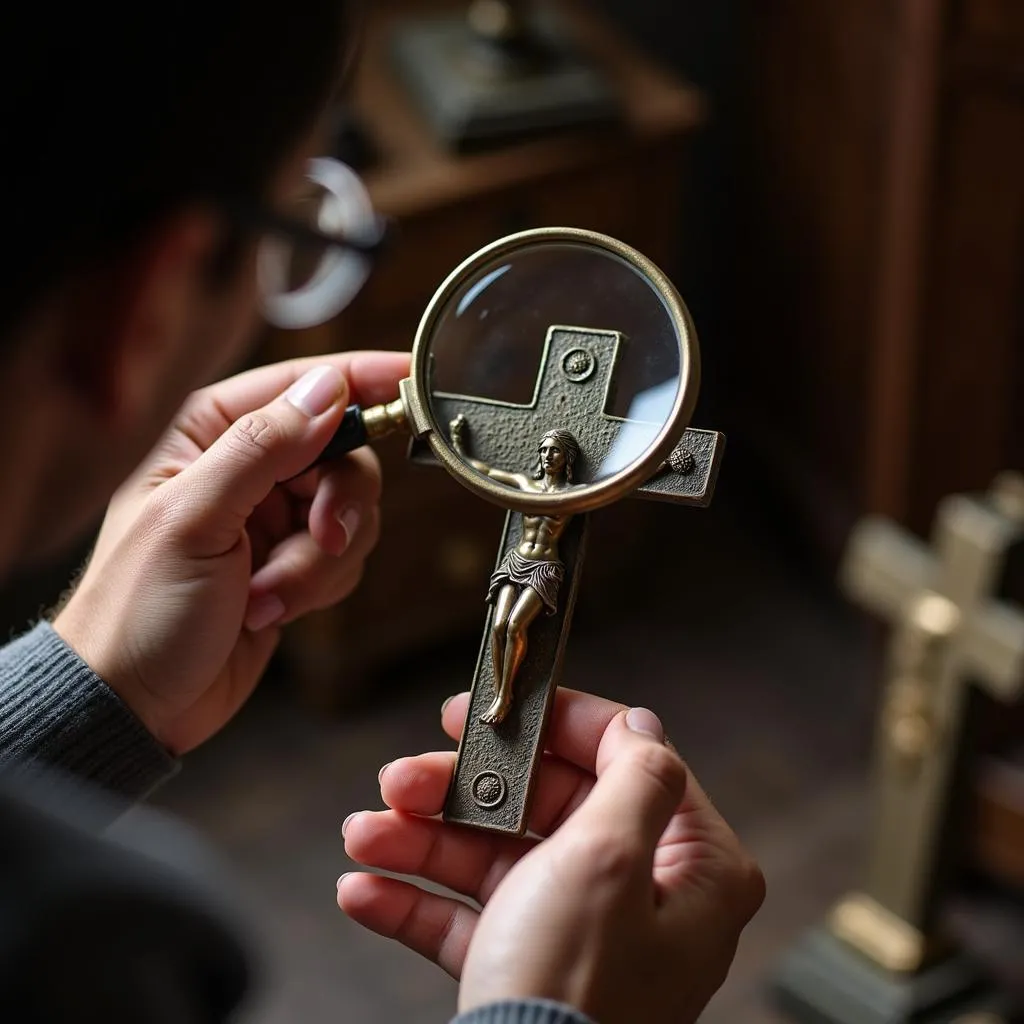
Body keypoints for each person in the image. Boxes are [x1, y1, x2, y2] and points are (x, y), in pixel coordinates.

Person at [0, 3, 765, 1023]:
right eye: (304, 224)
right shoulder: (88, 953)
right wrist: (552, 1012)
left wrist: (92, 681)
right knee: (510, 633)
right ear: (148, 304)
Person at [449, 414, 581, 724]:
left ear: (567, 457)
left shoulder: (576, 493)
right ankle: (500, 693)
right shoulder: (525, 484)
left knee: (514, 627)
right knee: (497, 627)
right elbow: (483, 470)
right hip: (516, 562)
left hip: (545, 567)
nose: (548, 456)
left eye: (555, 451)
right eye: (544, 450)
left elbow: (621, 483)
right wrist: (457, 443)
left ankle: (504, 697)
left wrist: (663, 463)